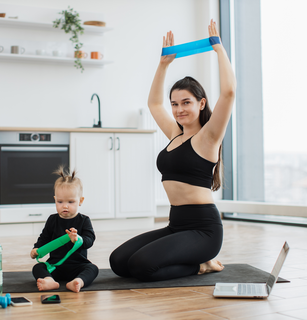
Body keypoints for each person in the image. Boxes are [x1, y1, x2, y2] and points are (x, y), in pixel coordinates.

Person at [109, 19, 236, 282]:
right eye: (175, 104)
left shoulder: (208, 137)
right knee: (119, 262)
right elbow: (155, 103)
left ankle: (202, 265)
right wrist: (163, 64)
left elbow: (229, 92)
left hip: (204, 230)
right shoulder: (175, 134)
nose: (178, 109)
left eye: (186, 102)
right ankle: (194, 261)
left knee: (142, 266)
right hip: (176, 225)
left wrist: (219, 50)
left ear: (201, 103)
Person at [30, 166, 98, 292]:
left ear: (80, 201)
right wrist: (36, 249)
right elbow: (44, 237)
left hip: (78, 265)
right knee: (38, 268)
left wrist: (78, 239)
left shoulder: (84, 220)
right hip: (55, 266)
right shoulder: (52, 220)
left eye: (71, 202)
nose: (65, 206)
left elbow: (90, 240)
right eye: (60, 202)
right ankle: (50, 281)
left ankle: (78, 281)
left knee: (93, 269)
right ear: (55, 200)